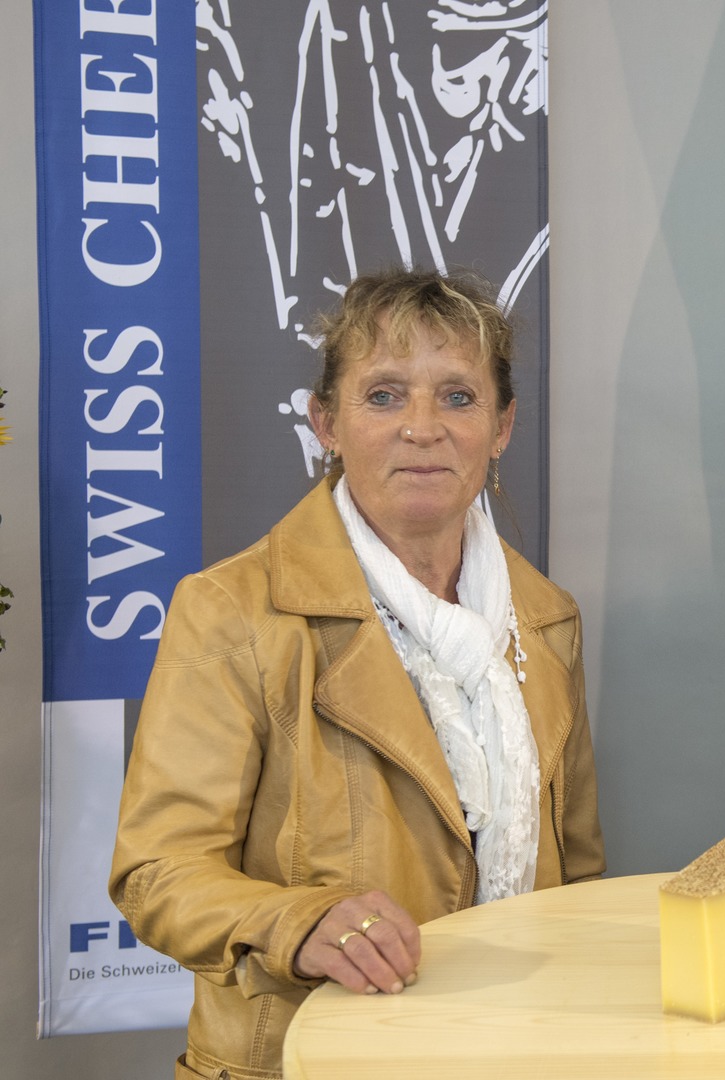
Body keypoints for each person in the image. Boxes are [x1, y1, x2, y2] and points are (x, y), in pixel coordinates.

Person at [110, 269, 604, 1080]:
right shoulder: (231, 611)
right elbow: (156, 873)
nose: (422, 427)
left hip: (515, 1053)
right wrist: (297, 922)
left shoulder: (548, 621)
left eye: (458, 397)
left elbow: (577, 884)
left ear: (502, 426)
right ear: (326, 423)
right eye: (383, 396)